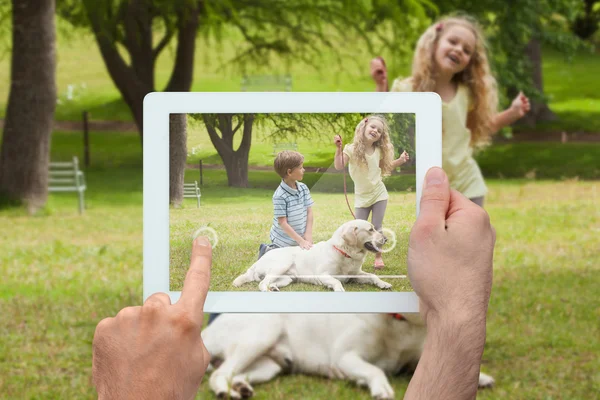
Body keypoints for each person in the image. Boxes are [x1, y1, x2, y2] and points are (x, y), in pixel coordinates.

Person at [92, 166, 496, 399]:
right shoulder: (286, 203)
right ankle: (222, 375)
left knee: (265, 357)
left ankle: (228, 377)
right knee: (267, 321)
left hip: (289, 336)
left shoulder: (313, 204)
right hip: (280, 309)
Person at [371, 15, 531, 208]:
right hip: (429, 184)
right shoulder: (407, 89)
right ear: (434, 43)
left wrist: (512, 113)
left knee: (471, 234)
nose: (458, 50)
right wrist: (381, 85)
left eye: (466, 50)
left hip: (466, 180)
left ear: (470, 62)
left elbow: (482, 127)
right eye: (453, 42)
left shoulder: (465, 95)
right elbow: (379, 118)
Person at [207, 150, 314, 325]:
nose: (304, 170)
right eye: (301, 168)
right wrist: (300, 241)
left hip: (300, 240)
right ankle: (266, 253)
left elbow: (310, 211)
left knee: (297, 269)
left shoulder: (303, 188)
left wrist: (307, 236)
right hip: (283, 241)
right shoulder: (280, 195)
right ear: (289, 172)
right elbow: (283, 223)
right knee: (281, 266)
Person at [333, 114, 409, 269]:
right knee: (357, 229)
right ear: (364, 127)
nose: (375, 130)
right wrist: (338, 149)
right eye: (373, 127)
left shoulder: (378, 150)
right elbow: (339, 165)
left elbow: (385, 167)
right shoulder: (351, 148)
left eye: (379, 130)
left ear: (381, 136)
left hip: (378, 192)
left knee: (376, 225)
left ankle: (378, 256)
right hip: (362, 196)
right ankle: (352, 257)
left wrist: (400, 161)